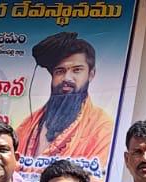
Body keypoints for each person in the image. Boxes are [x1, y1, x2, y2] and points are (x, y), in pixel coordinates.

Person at [16, 32, 115, 167]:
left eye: (77, 70)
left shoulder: (101, 128)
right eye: (60, 71)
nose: (67, 78)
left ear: (91, 74)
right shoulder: (29, 125)